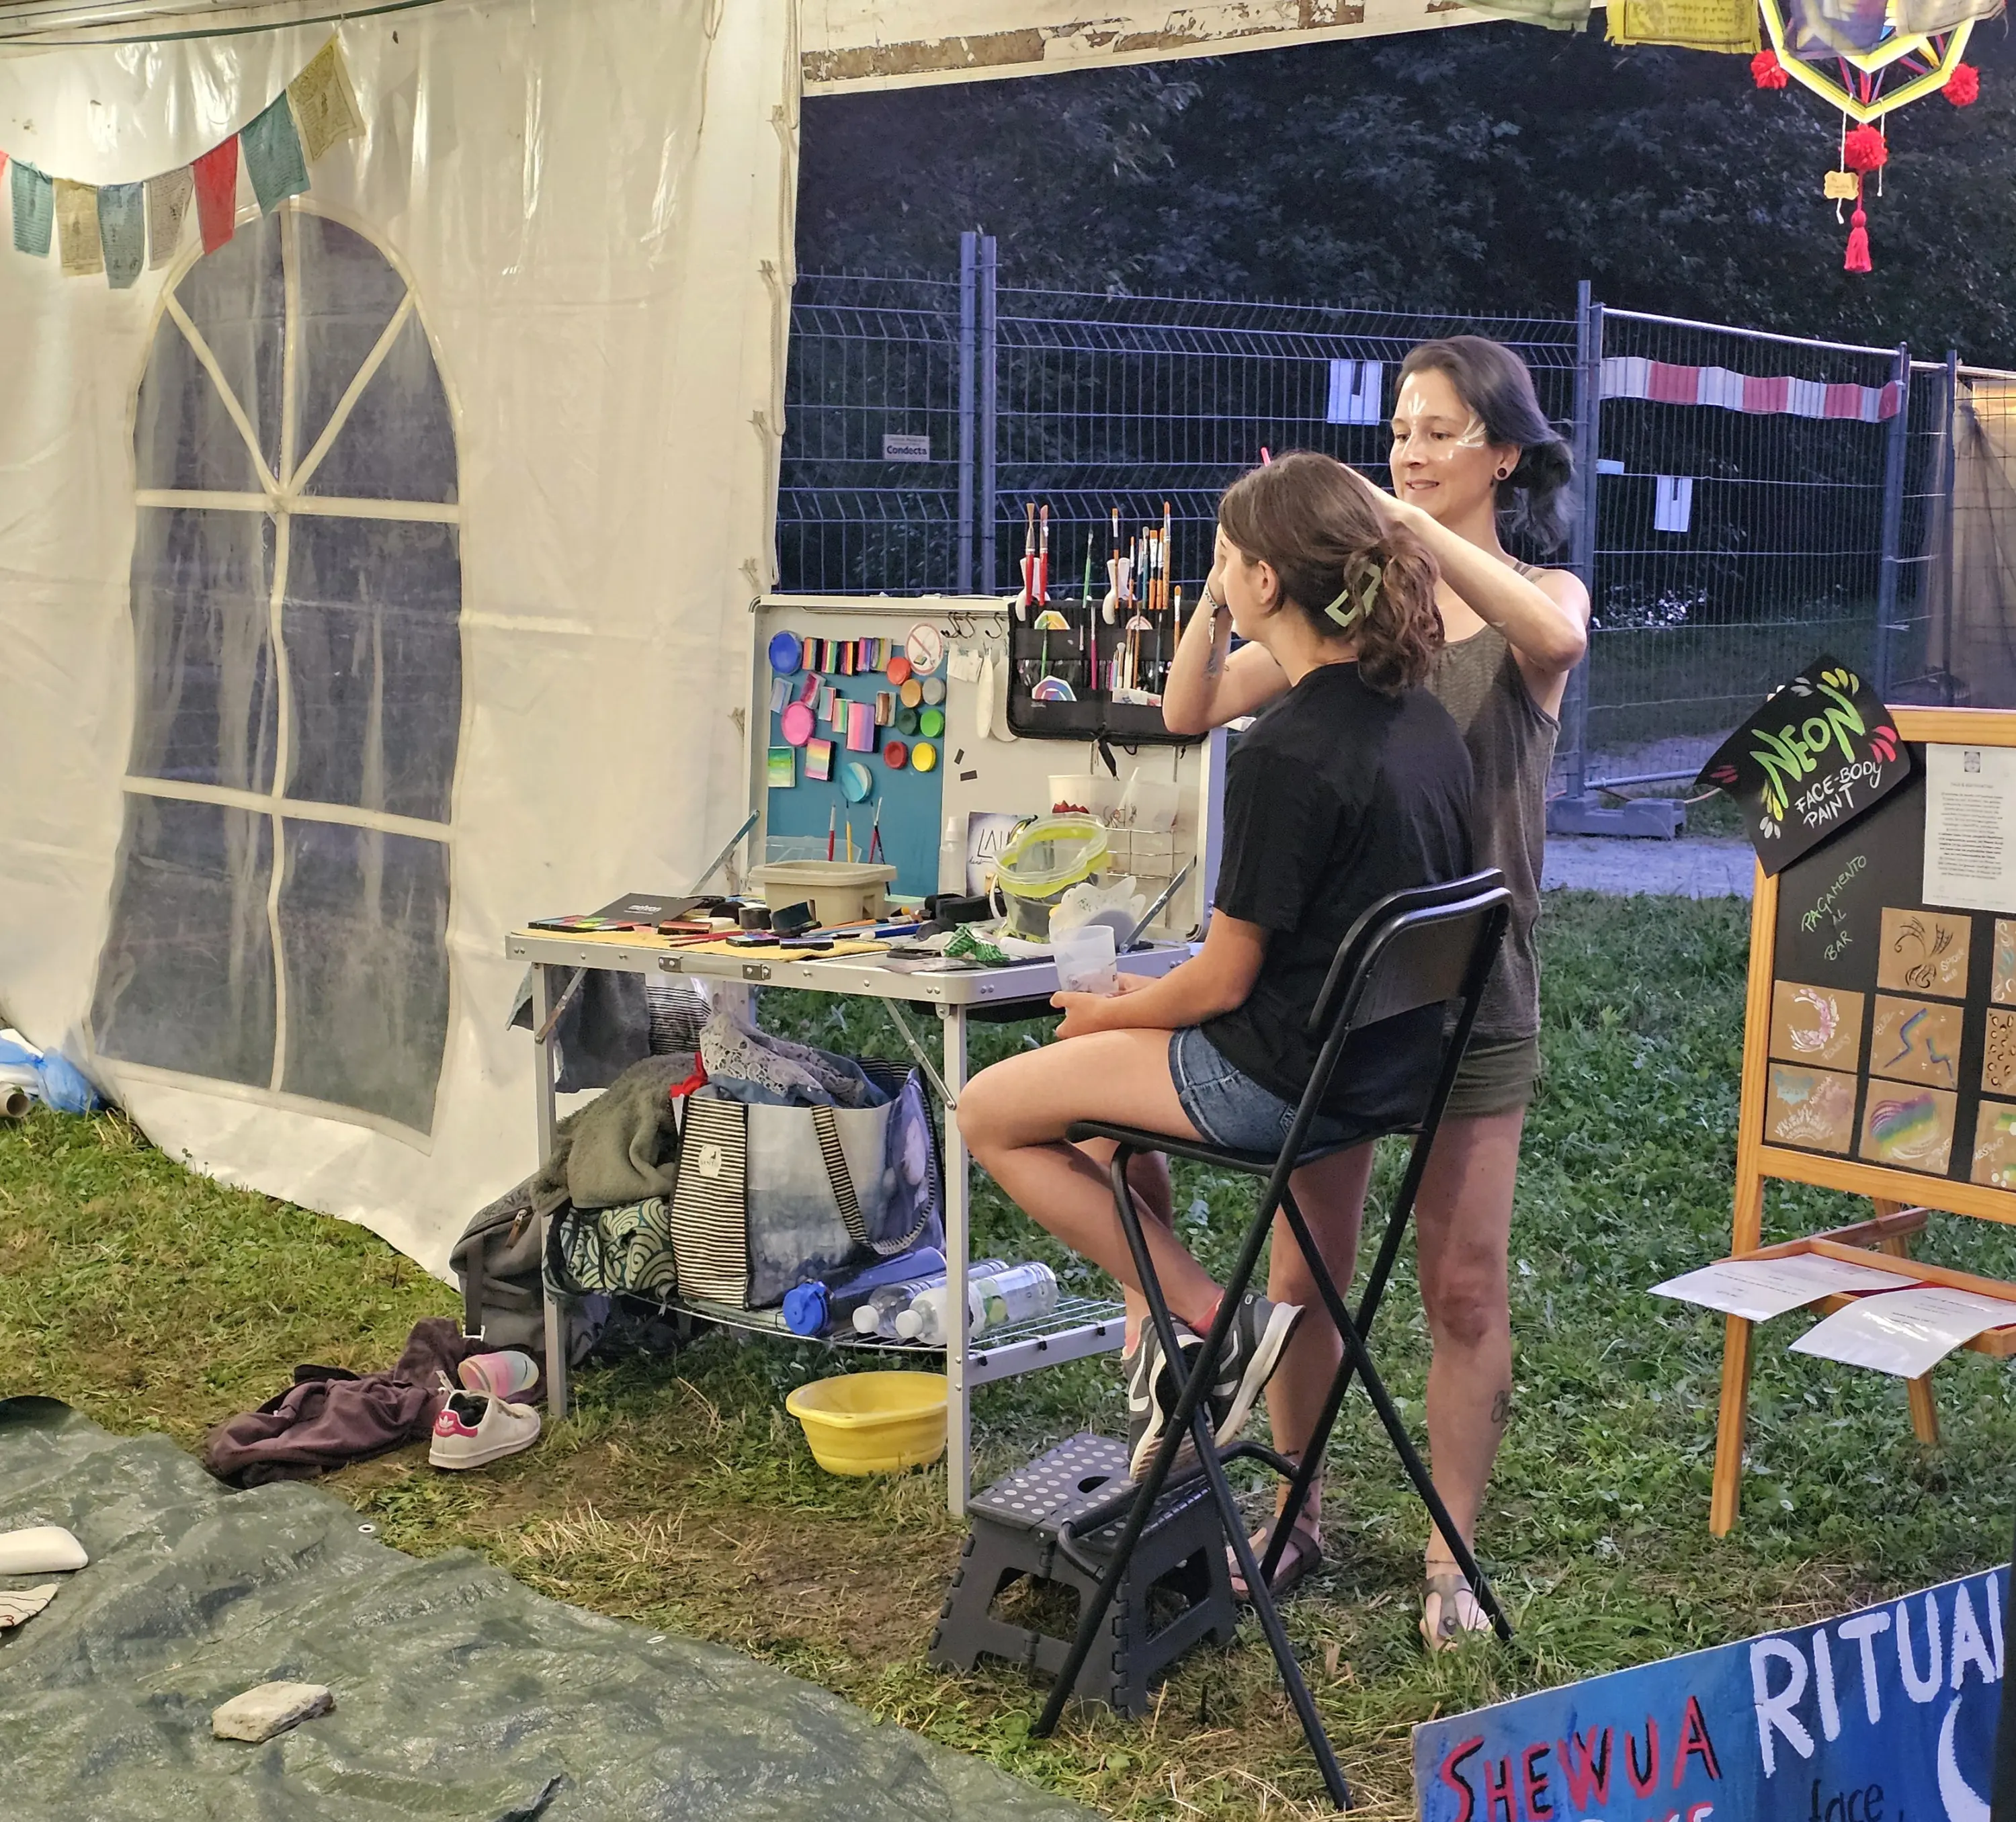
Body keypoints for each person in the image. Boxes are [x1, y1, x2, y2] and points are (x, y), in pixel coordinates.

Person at [1160, 337, 1590, 1649]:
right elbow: (1196, 707)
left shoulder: (1537, 595)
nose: (1408, 451)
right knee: (1309, 1268)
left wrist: (1407, 530)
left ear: (1503, 456)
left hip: (1477, 993)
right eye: (1400, 430)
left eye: (1439, 431)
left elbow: (1555, 636)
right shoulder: (1370, 616)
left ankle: (1450, 1550)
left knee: (1463, 1286)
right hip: (1339, 996)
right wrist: (1225, 581)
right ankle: (1295, 1507)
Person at [958, 451, 1475, 1482]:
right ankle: (1201, 1369)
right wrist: (1152, 1002)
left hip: (1274, 1078)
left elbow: (1228, 981)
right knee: (1102, 1114)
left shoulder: (1287, 750)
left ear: (1263, 583)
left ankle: (1207, 1323)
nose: (1219, 573)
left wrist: (1114, 1015)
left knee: (990, 1111)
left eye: (1227, 559)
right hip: (1376, 1073)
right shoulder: (1422, 720)